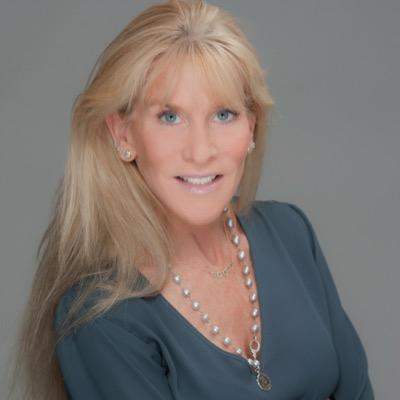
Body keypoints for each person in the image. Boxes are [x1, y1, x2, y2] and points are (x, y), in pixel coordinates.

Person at [9, 0, 374, 399]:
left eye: (224, 114)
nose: (201, 151)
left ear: (252, 126)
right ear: (123, 134)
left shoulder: (291, 233)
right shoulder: (102, 315)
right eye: (170, 116)